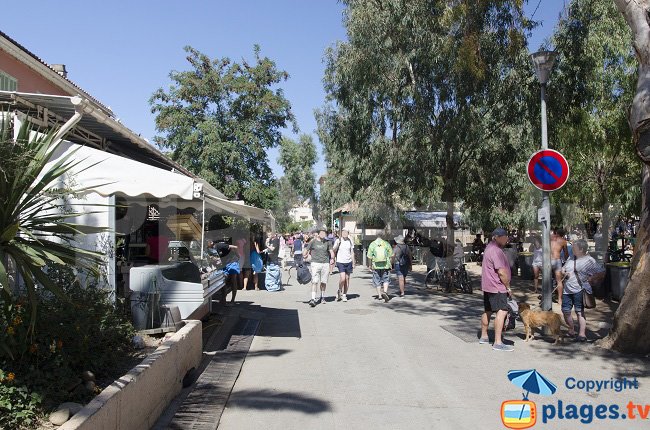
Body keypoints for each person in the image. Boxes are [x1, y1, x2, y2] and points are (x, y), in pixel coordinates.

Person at [560, 239, 605, 342]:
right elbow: (563, 268)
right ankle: (571, 329)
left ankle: (582, 334)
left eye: (574, 247)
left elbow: (601, 272)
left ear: (581, 249)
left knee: (579, 312)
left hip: (580, 290)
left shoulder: (589, 261)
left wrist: (592, 279)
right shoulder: (571, 258)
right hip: (567, 289)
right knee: (565, 311)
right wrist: (564, 273)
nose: (572, 249)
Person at [479, 228, 514, 352]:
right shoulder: (496, 251)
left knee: (488, 310)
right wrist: (508, 287)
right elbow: (501, 272)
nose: (507, 239)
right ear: (497, 237)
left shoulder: (489, 248)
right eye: (505, 237)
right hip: (497, 286)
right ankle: (498, 342)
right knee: (502, 311)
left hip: (488, 286)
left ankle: (484, 336)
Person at [304, 228, 335, 306]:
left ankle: (322, 297)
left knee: (323, 282)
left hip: (325, 264)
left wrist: (332, 258)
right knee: (314, 281)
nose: (323, 234)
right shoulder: (313, 242)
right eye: (322, 233)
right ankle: (313, 299)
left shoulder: (328, 242)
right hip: (315, 263)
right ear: (318, 234)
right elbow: (306, 250)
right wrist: (304, 255)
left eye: (325, 233)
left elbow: (331, 251)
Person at [367, 232, 393, 302]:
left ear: (376, 236)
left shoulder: (372, 244)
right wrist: (390, 264)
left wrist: (369, 265)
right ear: (383, 236)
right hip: (385, 265)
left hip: (376, 265)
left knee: (377, 280)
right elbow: (391, 255)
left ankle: (379, 296)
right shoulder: (386, 244)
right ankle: (385, 291)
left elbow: (369, 256)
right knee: (386, 279)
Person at [214, 239, 240, 304]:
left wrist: (238, 255)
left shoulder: (219, 245)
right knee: (223, 280)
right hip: (225, 263)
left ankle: (232, 300)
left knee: (233, 280)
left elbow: (235, 247)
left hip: (232, 261)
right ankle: (224, 299)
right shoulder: (211, 250)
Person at [333, 229, 355, 301]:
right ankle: (339, 290)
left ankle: (345, 295)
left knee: (347, 279)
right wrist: (336, 245)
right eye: (343, 232)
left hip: (348, 261)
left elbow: (352, 252)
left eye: (346, 232)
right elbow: (334, 250)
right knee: (343, 278)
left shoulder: (350, 241)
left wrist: (353, 262)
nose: (344, 233)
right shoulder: (338, 240)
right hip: (340, 261)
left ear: (348, 233)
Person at [551, 228, 569, 301]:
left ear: (556, 233)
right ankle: (560, 299)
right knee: (559, 280)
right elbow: (566, 254)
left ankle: (547, 297)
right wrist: (566, 262)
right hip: (557, 260)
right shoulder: (563, 241)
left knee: (547, 279)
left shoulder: (551, 238)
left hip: (549, 260)